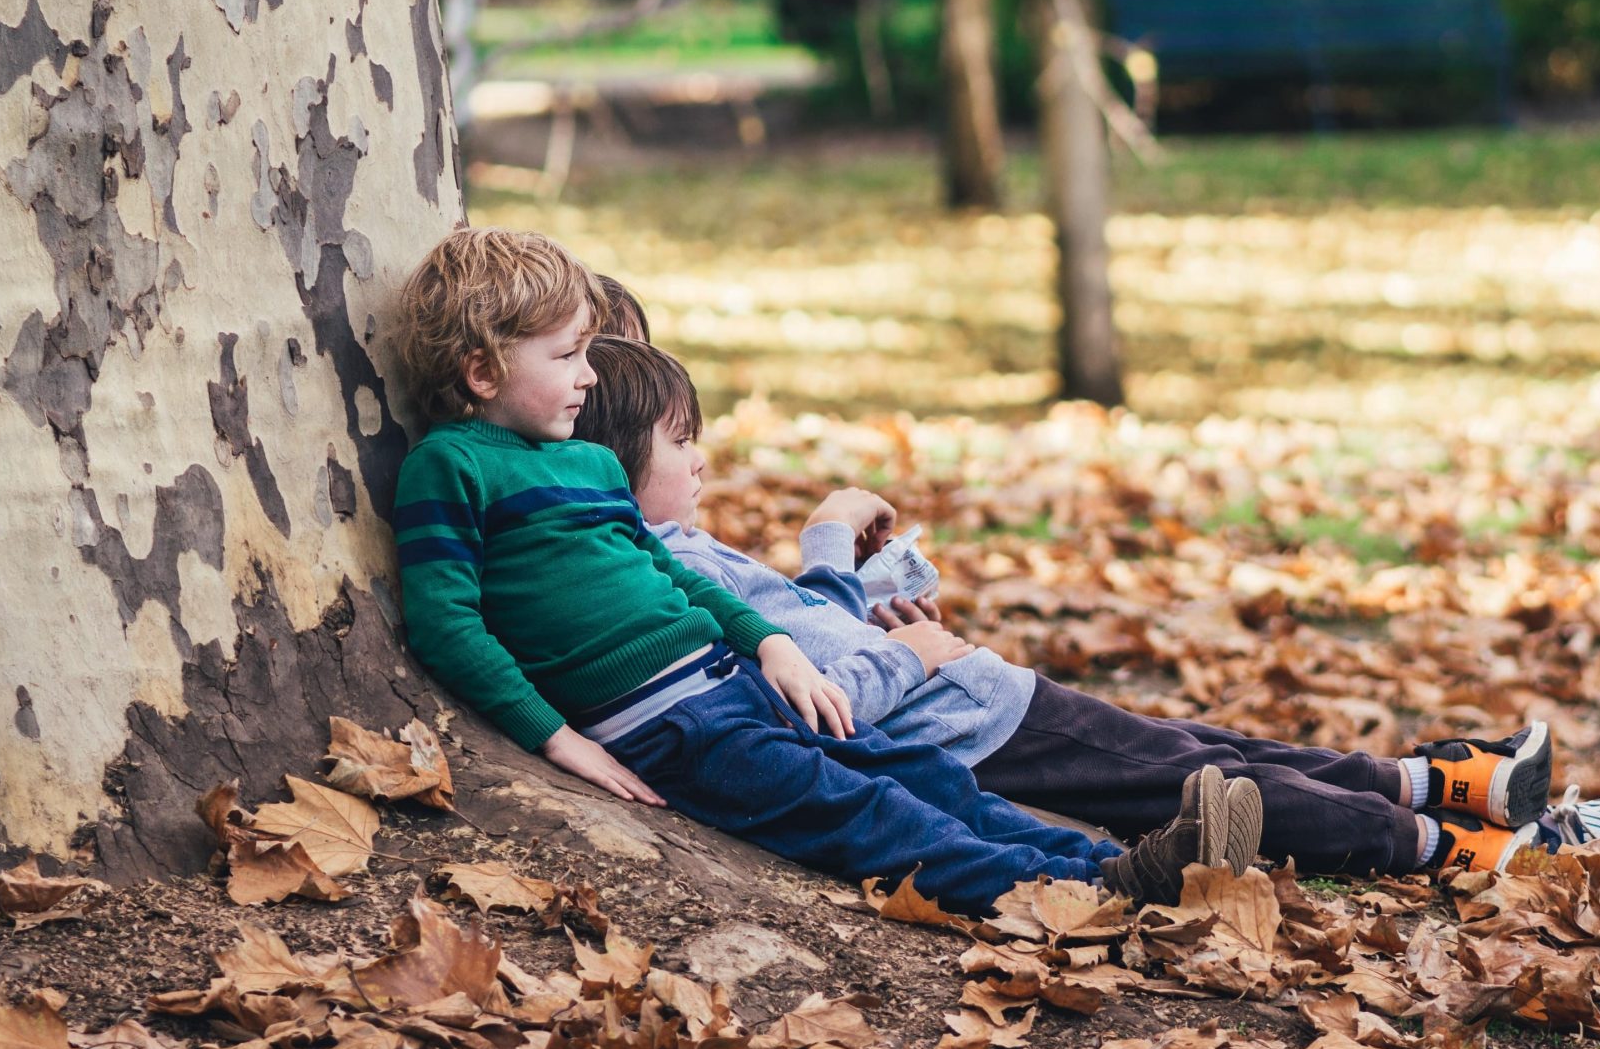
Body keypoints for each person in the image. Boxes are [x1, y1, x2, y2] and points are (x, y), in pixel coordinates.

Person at [571, 325, 1600, 889]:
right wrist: (892, 632)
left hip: (977, 700)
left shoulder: (669, 546)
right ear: (609, 460)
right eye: (681, 442)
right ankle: (1501, 857)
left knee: (1216, 749)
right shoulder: (647, 575)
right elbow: (815, 694)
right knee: (1218, 788)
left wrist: (872, 595)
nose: (703, 458)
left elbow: (809, 639)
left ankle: (1450, 781)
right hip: (965, 731)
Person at [387, 227, 1263, 912]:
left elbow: (673, 576)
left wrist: (771, 645)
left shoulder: (586, 463)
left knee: (922, 777)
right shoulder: (450, 467)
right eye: (567, 356)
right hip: (669, 729)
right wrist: (555, 738)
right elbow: (446, 625)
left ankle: (1120, 866)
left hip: (736, 680)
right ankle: (1082, 896)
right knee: (868, 816)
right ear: (482, 370)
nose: (588, 378)